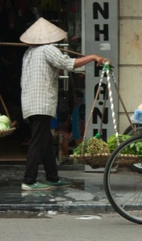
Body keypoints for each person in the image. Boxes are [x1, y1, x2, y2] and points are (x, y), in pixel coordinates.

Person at [20, 17, 112, 191]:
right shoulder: (48, 49)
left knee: (45, 140)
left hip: (30, 102)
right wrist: (93, 57)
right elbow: (68, 64)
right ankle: (29, 180)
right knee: (38, 142)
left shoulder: (29, 53)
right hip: (41, 103)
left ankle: (52, 177)